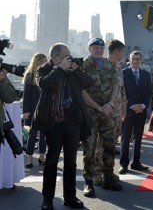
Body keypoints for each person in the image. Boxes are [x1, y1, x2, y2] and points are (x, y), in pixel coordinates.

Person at [32, 43, 93, 210]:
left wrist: (76, 69)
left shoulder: (72, 70)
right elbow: (43, 84)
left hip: (73, 121)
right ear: (56, 57)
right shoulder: (44, 69)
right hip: (54, 122)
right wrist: (59, 69)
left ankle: (70, 197)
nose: (70, 57)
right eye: (66, 55)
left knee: (71, 162)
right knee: (51, 162)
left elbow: (88, 83)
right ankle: (48, 199)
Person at [82, 38, 123, 197]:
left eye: (101, 47)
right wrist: (98, 107)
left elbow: (115, 85)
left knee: (109, 146)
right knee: (90, 148)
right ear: (90, 48)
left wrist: (111, 104)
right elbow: (82, 91)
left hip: (107, 111)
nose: (99, 50)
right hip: (91, 112)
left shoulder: (108, 64)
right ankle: (89, 182)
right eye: (96, 47)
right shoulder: (84, 66)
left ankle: (108, 179)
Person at [93, 39, 126, 186]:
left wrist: (124, 108)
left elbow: (121, 88)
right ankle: (97, 173)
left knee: (112, 142)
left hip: (118, 111)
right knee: (101, 143)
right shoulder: (104, 65)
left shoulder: (119, 66)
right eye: (121, 51)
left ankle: (109, 171)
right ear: (116, 51)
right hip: (106, 110)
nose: (122, 54)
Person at [119, 51, 152, 174]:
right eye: (134, 59)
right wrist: (132, 105)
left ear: (141, 60)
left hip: (141, 112)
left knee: (138, 138)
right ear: (130, 60)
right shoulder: (123, 73)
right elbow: (122, 92)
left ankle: (136, 162)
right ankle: (123, 164)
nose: (136, 61)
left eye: (138, 59)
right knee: (125, 138)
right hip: (128, 111)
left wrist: (143, 105)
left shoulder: (146, 74)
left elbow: (148, 92)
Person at [22, 53, 48, 168]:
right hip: (32, 110)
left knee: (43, 135)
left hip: (45, 109)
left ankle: (42, 156)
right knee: (32, 134)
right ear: (36, 61)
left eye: (45, 60)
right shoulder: (30, 75)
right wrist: (26, 111)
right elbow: (26, 95)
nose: (44, 62)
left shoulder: (46, 74)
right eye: (42, 60)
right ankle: (29, 158)